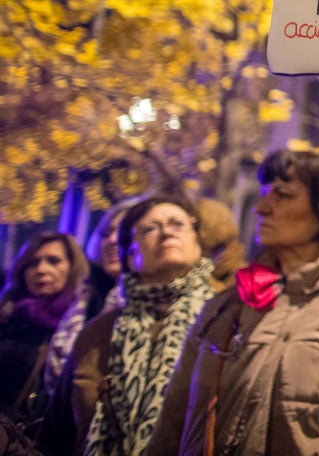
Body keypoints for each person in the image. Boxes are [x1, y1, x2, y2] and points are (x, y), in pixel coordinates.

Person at [145, 149, 319, 456]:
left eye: (282, 195)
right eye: (263, 194)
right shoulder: (230, 303)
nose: (261, 208)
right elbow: (173, 423)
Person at [41, 194, 216, 456]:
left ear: (197, 242)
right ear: (130, 254)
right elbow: (57, 432)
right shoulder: (97, 335)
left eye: (177, 224)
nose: (166, 232)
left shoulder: (223, 322)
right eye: (150, 229)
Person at [44, 199, 139, 396]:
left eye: (123, 231)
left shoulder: (148, 303)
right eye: (107, 232)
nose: (112, 240)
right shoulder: (87, 299)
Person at [0, 232, 87, 428]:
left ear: (72, 268)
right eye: (32, 263)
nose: (41, 269)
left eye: (53, 261)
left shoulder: (79, 324)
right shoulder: (7, 316)